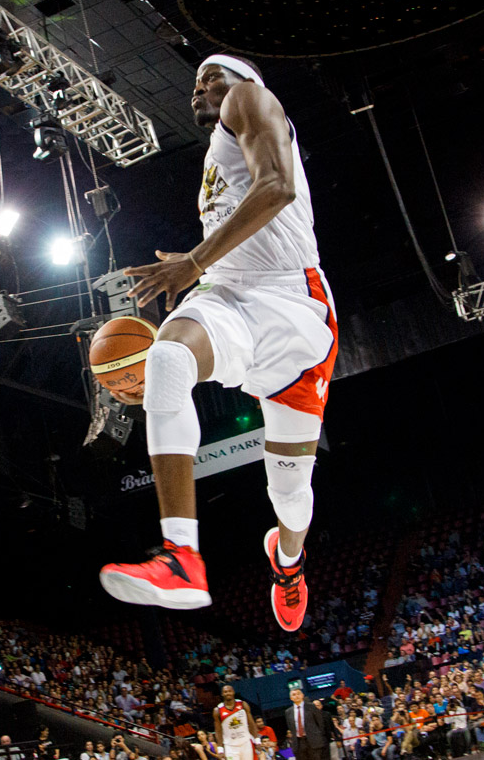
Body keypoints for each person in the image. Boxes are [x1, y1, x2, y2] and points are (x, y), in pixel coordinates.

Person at [99, 53, 337, 632]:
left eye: (211, 78)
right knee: (167, 357)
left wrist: (194, 261)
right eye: (196, 82)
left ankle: (288, 561)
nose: (199, 89)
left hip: (291, 307)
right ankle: (181, 557)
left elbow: (277, 187)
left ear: (243, 83)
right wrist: (201, 269)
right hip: (227, 292)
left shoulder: (251, 100)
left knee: (290, 495)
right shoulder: (217, 151)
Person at [214, 685, 259, 760]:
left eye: (229, 691)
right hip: (230, 746)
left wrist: (257, 740)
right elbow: (218, 731)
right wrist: (220, 749)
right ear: (222, 694)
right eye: (225, 692)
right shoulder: (217, 710)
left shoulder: (243, 705)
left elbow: (251, 724)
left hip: (245, 743)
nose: (228, 693)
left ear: (233, 692)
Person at [284, 688, 330, 760]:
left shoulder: (311, 707)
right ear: (291, 698)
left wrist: (318, 736)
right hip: (299, 743)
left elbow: (320, 723)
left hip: (313, 741)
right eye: (294, 694)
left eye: (298, 693)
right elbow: (291, 727)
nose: (296, 696)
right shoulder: (288, 712)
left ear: (302, 695)